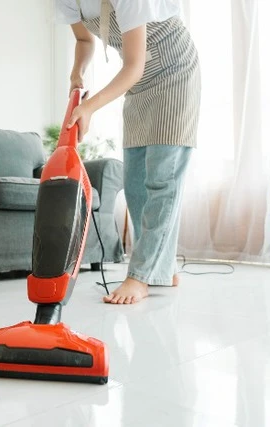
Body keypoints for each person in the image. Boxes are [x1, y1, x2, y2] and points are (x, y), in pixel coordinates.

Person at [55, 0, 201, 304]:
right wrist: (76, 73)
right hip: (138, 82)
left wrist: (89, 107)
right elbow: (84, 40)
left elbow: (133, 64)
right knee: (135, 183)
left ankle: (141, 276)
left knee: (163, 178)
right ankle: (162, 268)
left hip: (174, 71)